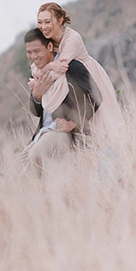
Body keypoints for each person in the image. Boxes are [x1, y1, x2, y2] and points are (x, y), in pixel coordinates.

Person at [35, 2, 125, 134]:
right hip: (69, 83)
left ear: (60, 20)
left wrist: (43, 74)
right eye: (40, 22)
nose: (43, 27)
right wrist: (50, 66)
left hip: (86, 77)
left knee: (102, 123)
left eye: (47, 22)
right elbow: (35, 67)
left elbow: (57, 72)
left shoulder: (72, 39)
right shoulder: (45, 41)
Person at [24, 28, 101, 174]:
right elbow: (35, 111)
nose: (33, 56)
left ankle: (47, 194)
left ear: (50, 47)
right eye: (29, 52)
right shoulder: (36, 72)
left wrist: (73, 123)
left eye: (37, 51)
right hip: (43, 132)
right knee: (14, 170)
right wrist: (37, 96)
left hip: (65, 134)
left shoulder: (71, 66)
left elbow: (95, 98)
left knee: (36, 155)